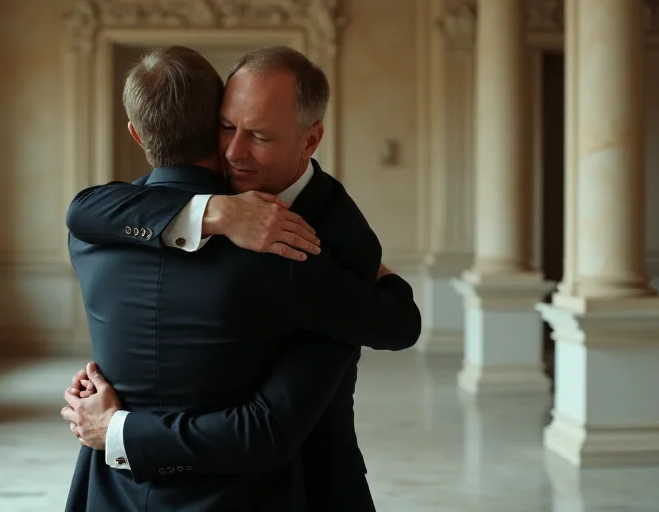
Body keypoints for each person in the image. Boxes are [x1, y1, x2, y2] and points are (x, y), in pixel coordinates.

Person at [63, 45, 420, 512]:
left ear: (310, 141)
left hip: (304, 485)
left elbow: (397, 324)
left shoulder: (329, 245)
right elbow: (83, 210)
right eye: (227, 127)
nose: (233, 152)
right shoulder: (145, 211)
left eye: (259, 136)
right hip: (138, 481)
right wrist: (214, 211)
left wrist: (118, 430)